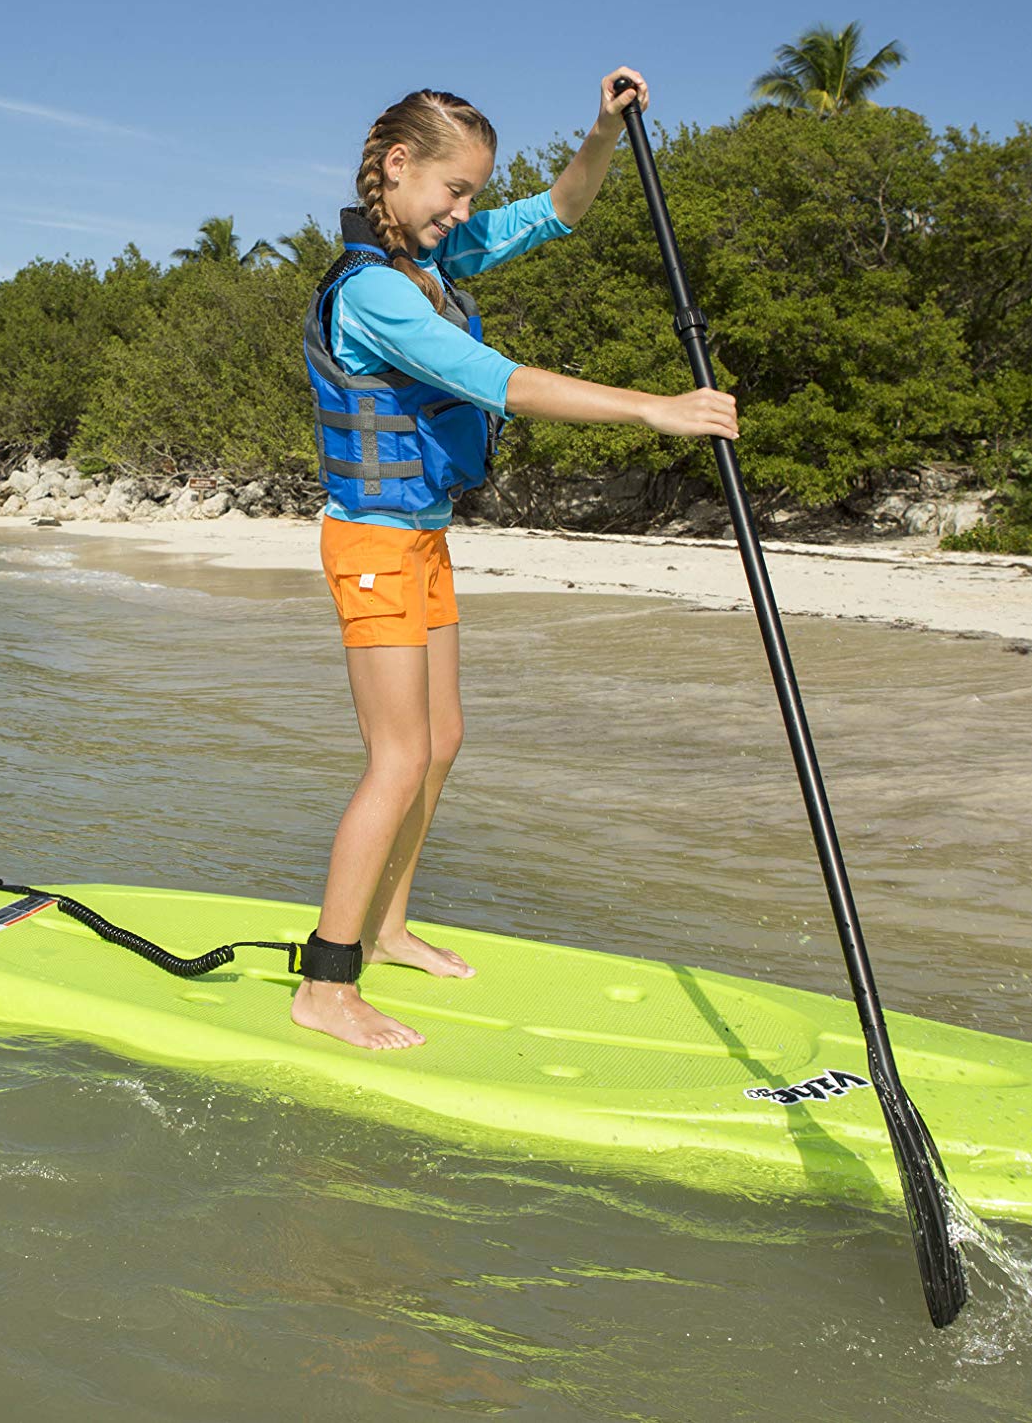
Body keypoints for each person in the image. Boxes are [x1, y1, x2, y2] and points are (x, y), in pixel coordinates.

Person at [293, 70, 740, 1050]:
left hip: (422, 536)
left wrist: (603, 130)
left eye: (472, 196)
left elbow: (560, 209)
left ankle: (387, 928)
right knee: (396, 758)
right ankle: (325, 984)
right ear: (398, 167)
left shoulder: (431, 260)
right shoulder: (373, 293)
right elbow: (498, 382)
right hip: (369, 541)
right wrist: (655, 409)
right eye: (453, 192)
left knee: (440, 740)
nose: (464, 213)